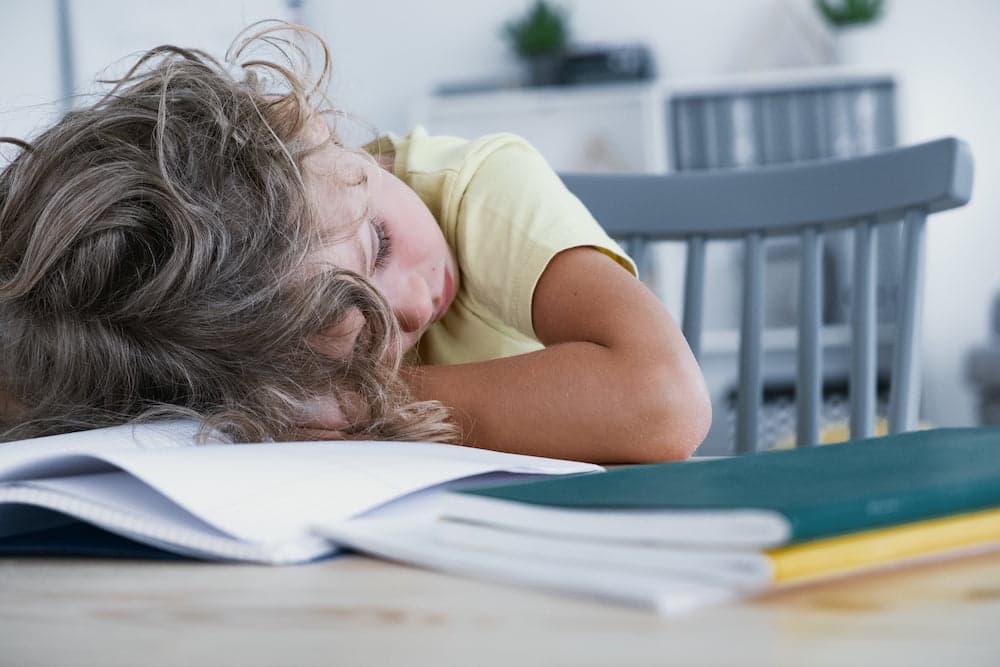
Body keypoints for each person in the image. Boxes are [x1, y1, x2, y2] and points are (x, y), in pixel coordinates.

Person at [0, 23, 709, 463]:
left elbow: (665, 403)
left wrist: (362, 398)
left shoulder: (477, 188)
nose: (411, 304)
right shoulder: (237, 326)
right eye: (360, 348)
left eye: (380, 244)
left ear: (319, 128)